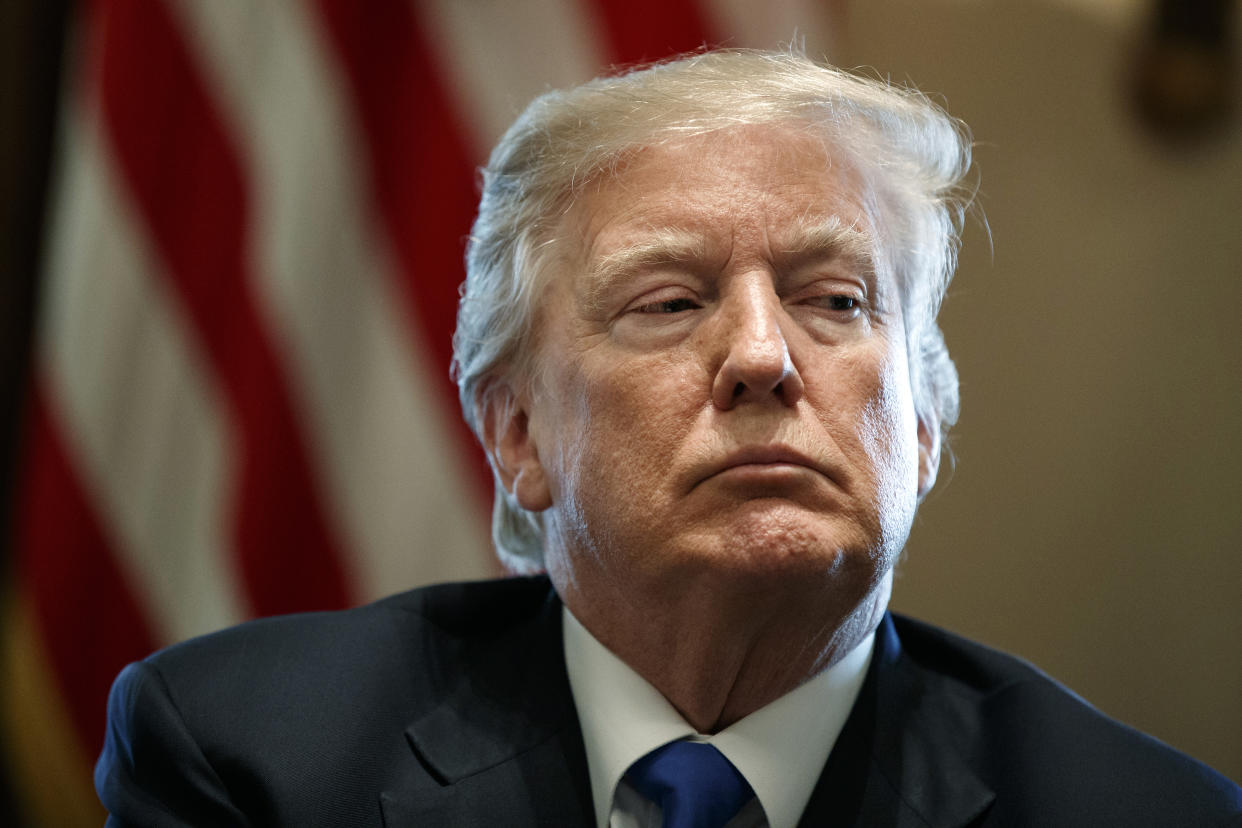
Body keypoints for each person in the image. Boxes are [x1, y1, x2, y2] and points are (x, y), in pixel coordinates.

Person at [96, 50, 1241, 827]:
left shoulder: (1143, 813)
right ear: (516, 433)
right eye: (671, 302)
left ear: (926, 424)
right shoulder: (251, 762)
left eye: (836, 300)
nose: (761, 356)